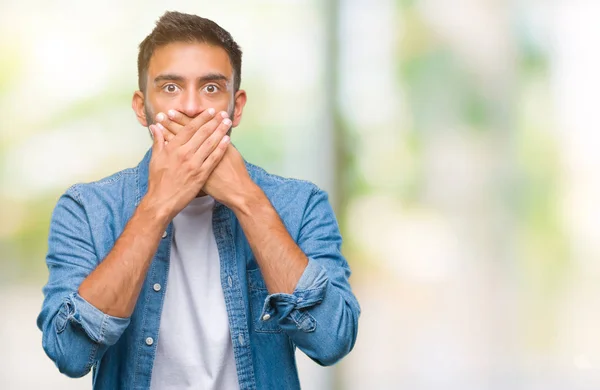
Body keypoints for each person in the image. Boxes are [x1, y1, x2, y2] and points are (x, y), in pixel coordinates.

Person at [37, 11, 360, 390]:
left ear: (235, 107)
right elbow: (69, 355)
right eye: (170, 87)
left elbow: (332, 341)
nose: (191, 108)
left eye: (210, 88)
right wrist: (157, 206)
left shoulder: (301, 204)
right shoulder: (86, 209)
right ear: (142, 107)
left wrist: (247, 201)